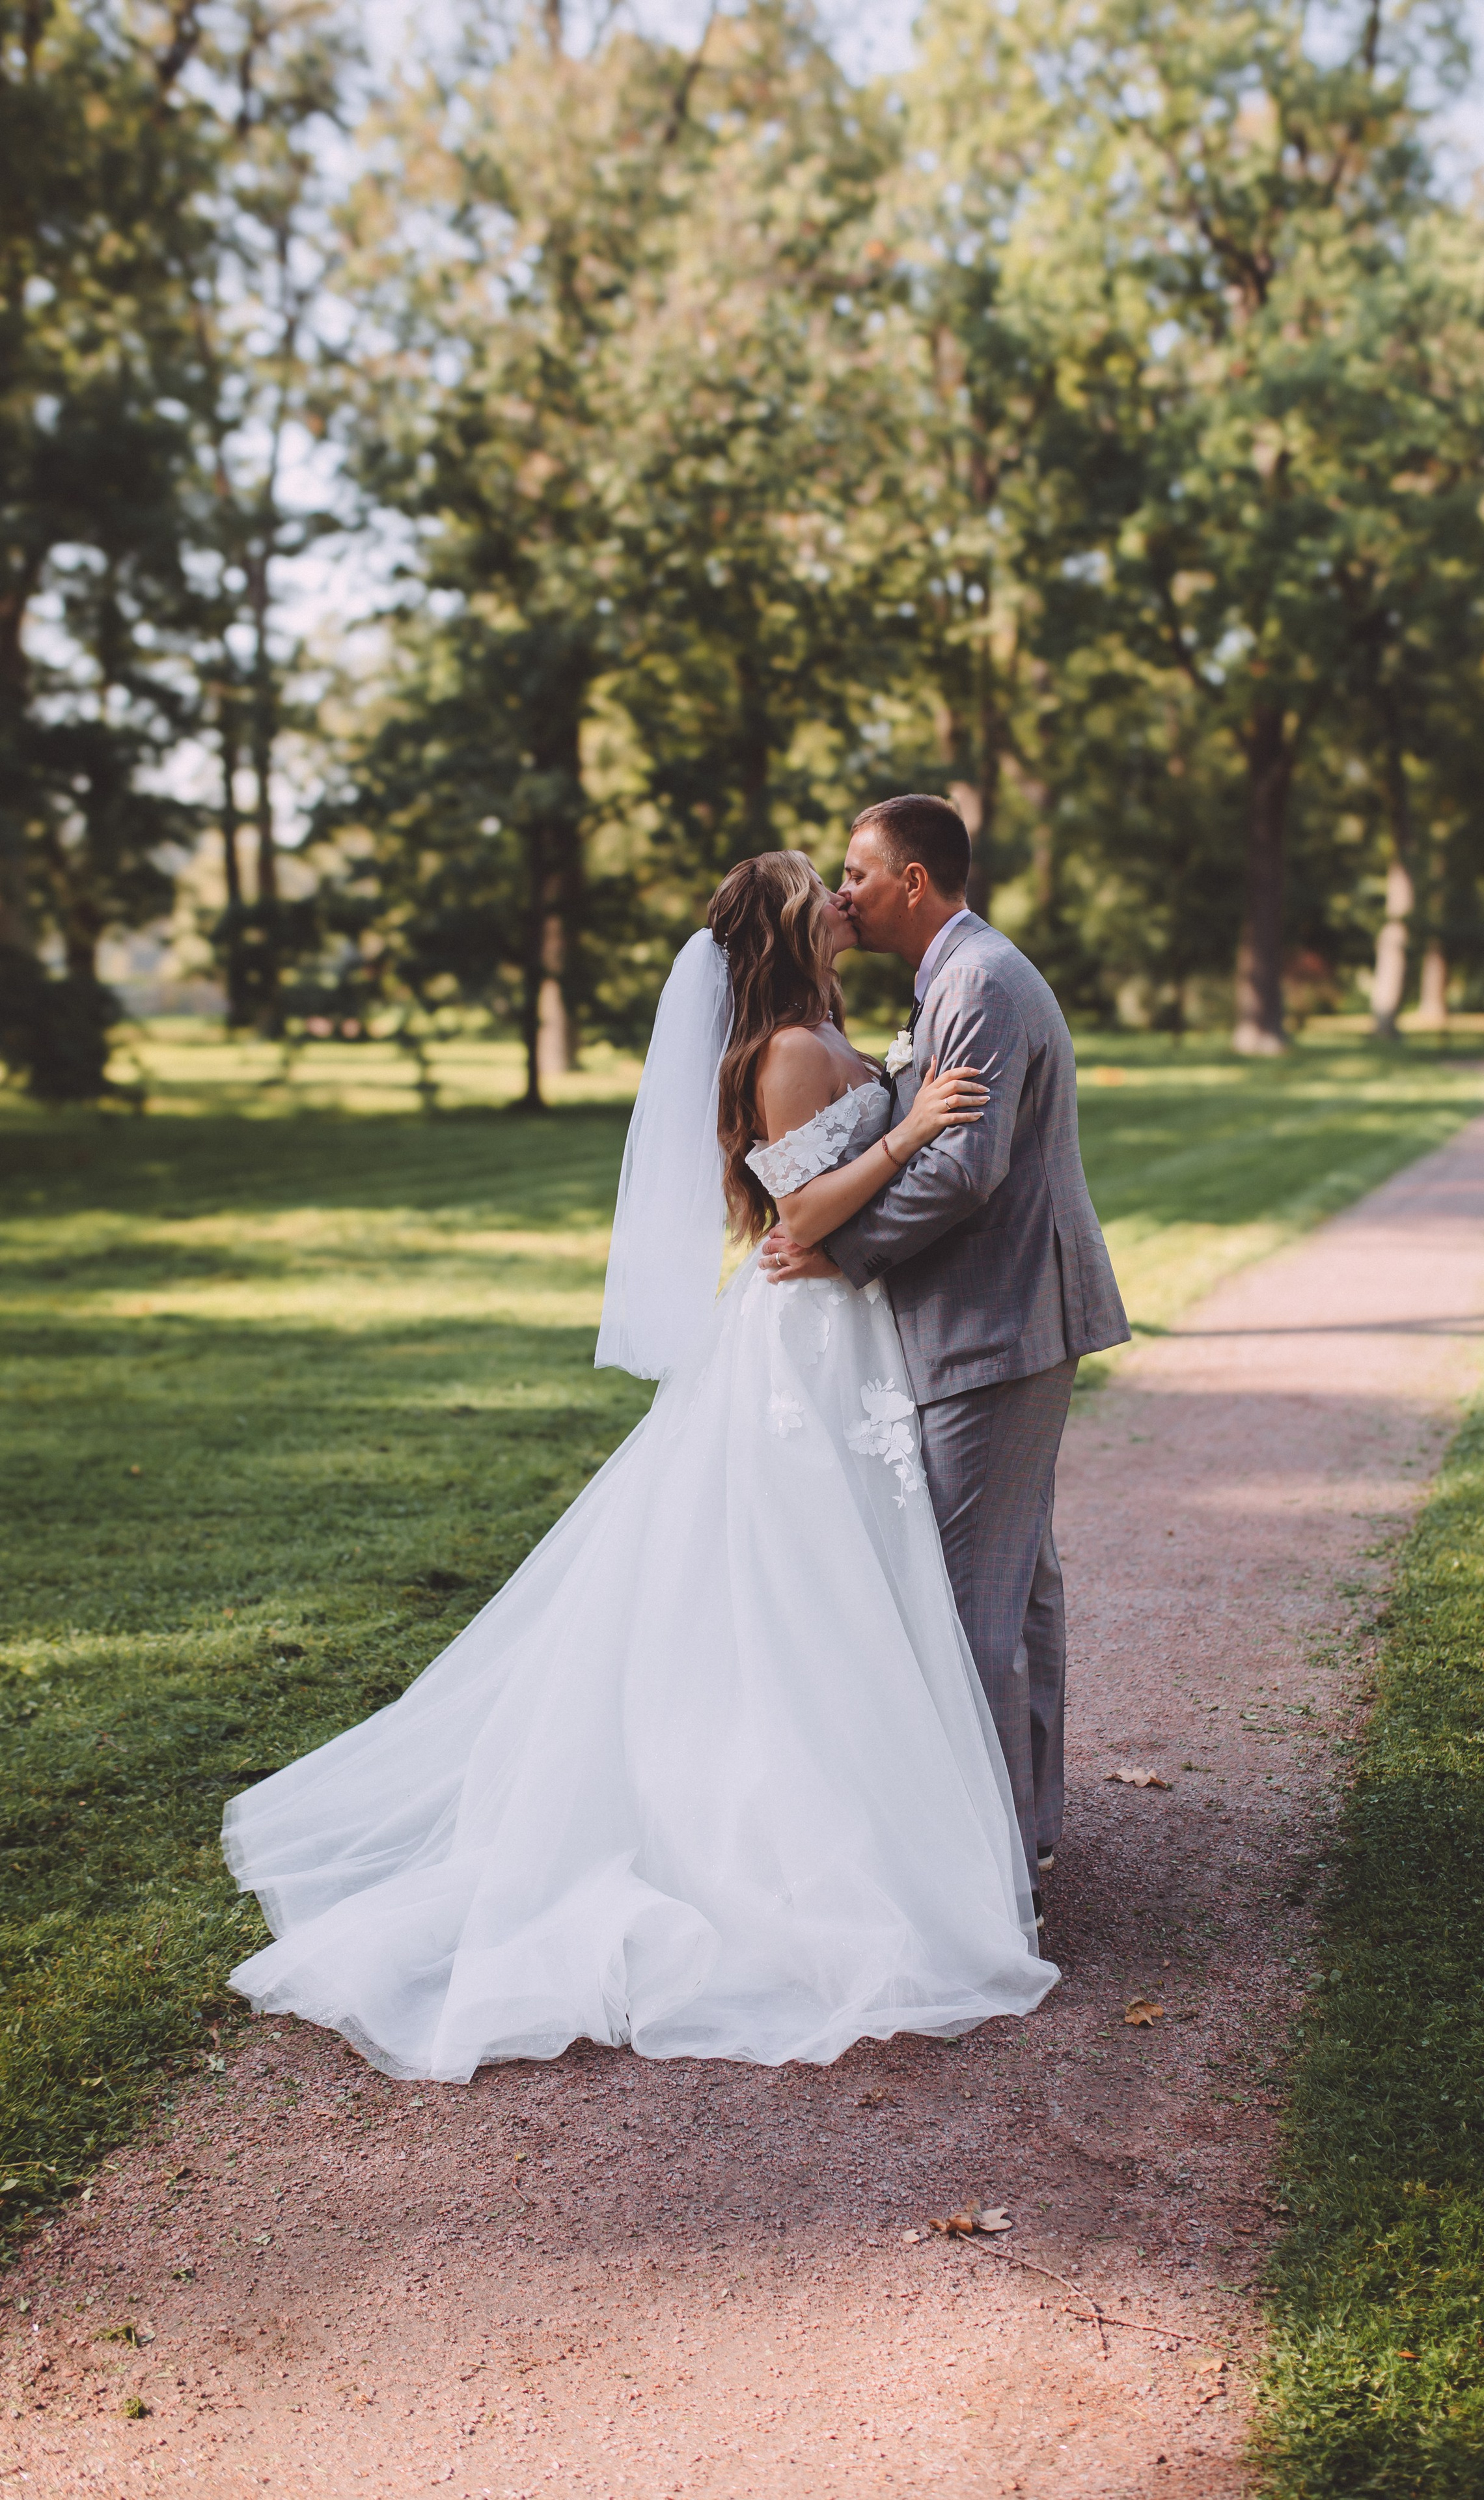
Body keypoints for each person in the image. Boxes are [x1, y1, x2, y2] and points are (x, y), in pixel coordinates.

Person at [221, 850, 1057, 2083]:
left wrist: (897, 1102)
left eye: (848, 879)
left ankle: (899, 1819)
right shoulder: (783, 1053)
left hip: (844, 1341)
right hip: (806, 1345)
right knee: (804, 1587)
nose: (841, 896)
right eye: (819, 890)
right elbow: (797, 1216)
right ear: (784, 929)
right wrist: (912, 1128)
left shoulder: (817, 1034)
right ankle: (811, 1845)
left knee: (857, 1588)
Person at [763, 796, 1129, 1890]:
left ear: (913, 882)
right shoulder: (960, 978)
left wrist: (844, 1251)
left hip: (998, 1320)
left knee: (975, 1594)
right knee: (1019, 1585)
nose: (847, 893)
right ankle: (1026, 1833)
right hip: (1003, 1316)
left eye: (861, 874)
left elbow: (967, 1172)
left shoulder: (972, 983)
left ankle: (988, 1870)